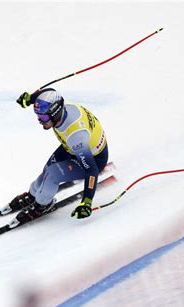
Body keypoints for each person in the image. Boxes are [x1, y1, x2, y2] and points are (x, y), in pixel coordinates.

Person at [8, 88, 109, 226]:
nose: (39, 121)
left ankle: (42, 205)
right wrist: (30, 99)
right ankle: (33, 195)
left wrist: (86, 202)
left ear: (55, 114)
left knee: (52, 174)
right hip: (72, 147)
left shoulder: (76, 136)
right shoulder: (60, 108)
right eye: (38, 116)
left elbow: (91, 170)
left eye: (43, 117)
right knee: (47, 168)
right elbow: (49, 91)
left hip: (94, 159)